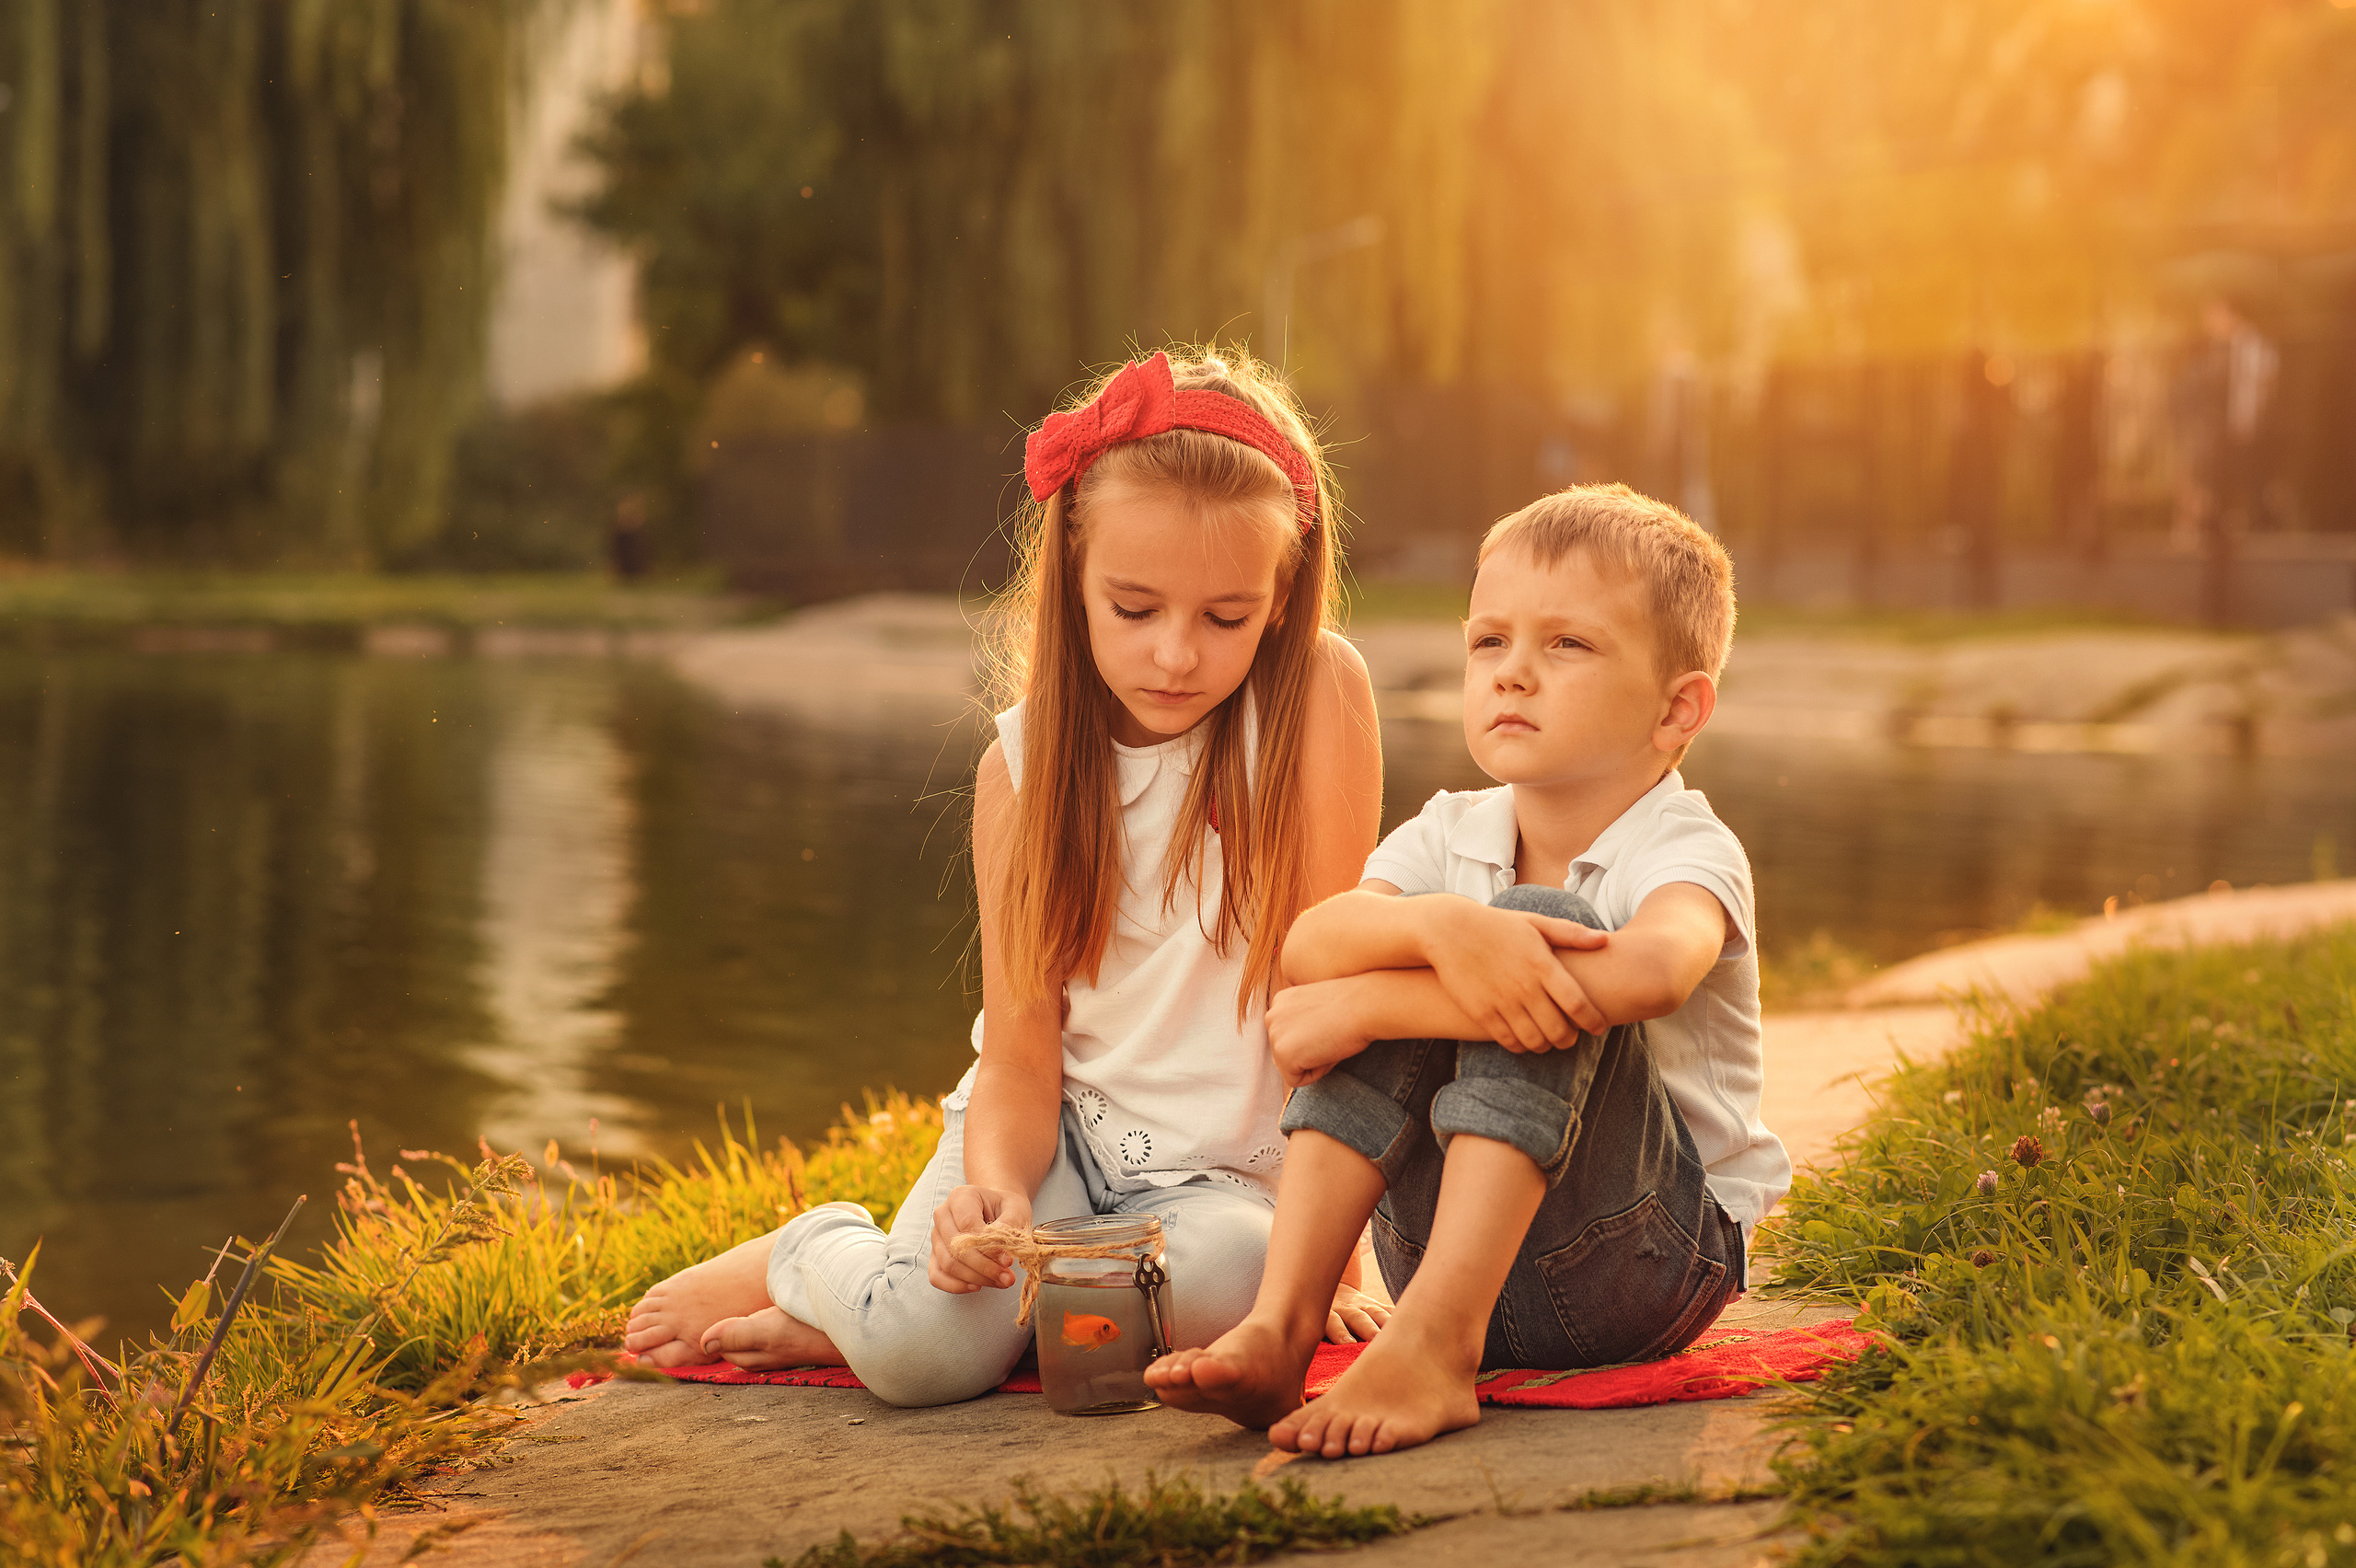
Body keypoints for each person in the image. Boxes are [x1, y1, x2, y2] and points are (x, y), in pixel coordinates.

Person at [621, 349, 1387, 1405]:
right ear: (1072, 570)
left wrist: (1336, 1254)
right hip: (1053, 1137)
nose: (1175, 655)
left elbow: (1327, 993)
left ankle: (890, 1311)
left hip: (1221, 1185)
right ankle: (814, 1257)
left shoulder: (1317, 702)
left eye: (1224, 618)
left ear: (1281, 590)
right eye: (1134, 608)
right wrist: (998, 1198)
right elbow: (1023, 1053)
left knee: (1244, 1279)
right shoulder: (1020, 775)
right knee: (920, 1362)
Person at [1146, 482, 1790, 1456]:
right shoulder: (1451, 829)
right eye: (1489, 642)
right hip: (1429, 1251)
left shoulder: (1684, 847)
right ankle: (1283, 1322)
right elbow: (1311, 946)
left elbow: (1653, 972)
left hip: (1643, 1263)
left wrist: (1370, 1001)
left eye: (1565, 645)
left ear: (1675, 711)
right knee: (1458, 932)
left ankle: (1436, 1351)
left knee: (1537, 926)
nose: (1512, 674)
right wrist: (1443, 931)